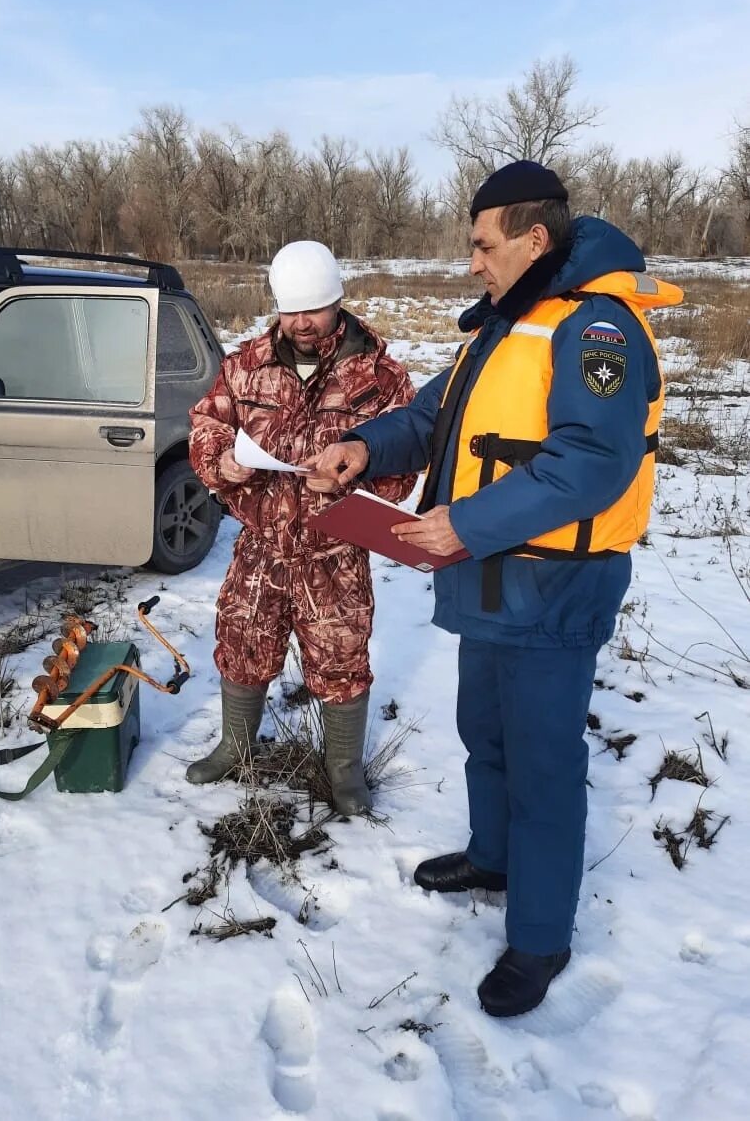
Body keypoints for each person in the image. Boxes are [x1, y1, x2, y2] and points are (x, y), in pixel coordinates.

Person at [308, 161, 683, 1014]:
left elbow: (592, 462)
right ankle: (493, 856)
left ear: (533, 239)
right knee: (484, 729)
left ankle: (540, 938)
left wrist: (465, 524)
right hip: (489, 574)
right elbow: (434, 415)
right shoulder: (507, 324)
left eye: (482, 245)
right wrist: (364, 447)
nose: (472, 262)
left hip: (555, 581)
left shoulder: (596, 330)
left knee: (543, 759)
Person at [187, 240, 416, 815]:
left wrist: (350, 483)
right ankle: (235, 746)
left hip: (334, 551)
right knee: (242, 645)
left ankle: (343, 771)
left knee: (341, 660)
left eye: (312, 310)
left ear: (337, 301)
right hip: (260, 547)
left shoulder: (380, 376)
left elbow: (407, 457)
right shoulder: (245, 366)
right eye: (290, 311)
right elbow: (205, 425)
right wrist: (224, 462)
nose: (301, 323)